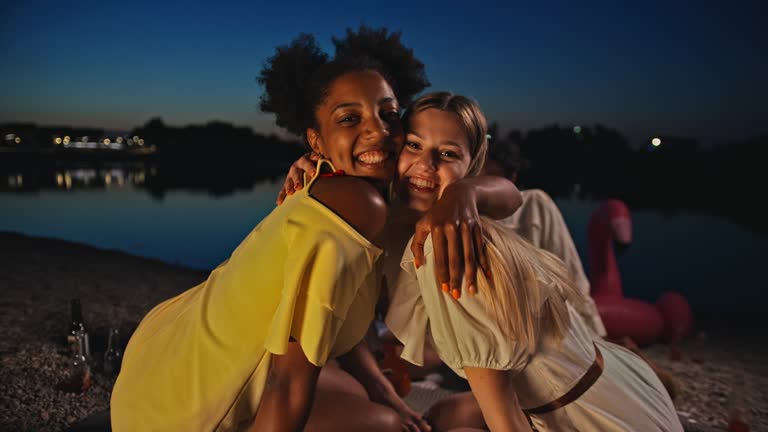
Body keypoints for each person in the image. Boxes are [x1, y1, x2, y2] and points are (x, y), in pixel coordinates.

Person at [111, 28, 520, 432]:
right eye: (349, 118)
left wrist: (463, 194)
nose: (377, 130)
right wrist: (388, 411)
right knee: (383, 426)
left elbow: (512, 196)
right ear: (316, 141)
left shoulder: (365, 189)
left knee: (362, 397)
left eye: (388, 114)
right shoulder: (360, 205)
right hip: (181, 407)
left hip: (167, 354)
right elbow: (287, 383)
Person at [385, 92, 683, 431]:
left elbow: (506, 419)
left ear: (472, 167)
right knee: (443, 416)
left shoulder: (445, 246)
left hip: (593, 417)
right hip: (620, 385)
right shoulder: (437, 223)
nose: (426, 164)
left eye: (448, 153)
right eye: (413, 145)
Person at [481, 140, 607, 337]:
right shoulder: (461, 217)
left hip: (547, 329)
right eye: (475, 178)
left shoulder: (533, 204)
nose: (481, 188)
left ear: (512, 178)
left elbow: (571, 276)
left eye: (489, 178)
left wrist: (596, 334)